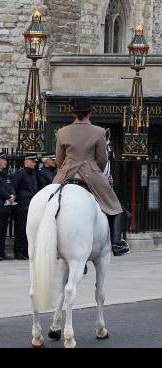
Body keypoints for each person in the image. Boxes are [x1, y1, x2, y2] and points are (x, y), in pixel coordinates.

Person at [52, 97, 129, 256]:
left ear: (72, 113)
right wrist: (95, 170)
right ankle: (117, 244)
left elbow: (59, 160)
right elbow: (102, 159)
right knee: (115, 207)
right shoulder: (99, 131)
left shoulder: (62, 131)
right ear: (90, 113)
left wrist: (65, 169)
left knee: (49, 202)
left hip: (65, 174)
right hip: (91, 173)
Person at [12, 155, 40, 260]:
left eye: (35, 162)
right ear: (26, 162)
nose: (34, 163)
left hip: (32, 206)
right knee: (21, 230)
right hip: (22, 206)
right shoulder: (20, 174)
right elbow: (14, 188)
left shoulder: (33, 174)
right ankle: (18, 252)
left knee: (29, 230)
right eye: (32, 161)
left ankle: (26, 251)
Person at [0, 153, 15, 261]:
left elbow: (11, 186)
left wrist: (13, 195)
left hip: (6, 207)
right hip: (1, 204)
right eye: (3, 159)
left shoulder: (6, 174)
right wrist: (8, 196)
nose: (6, 162)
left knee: (3, 231)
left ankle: (2, 252)